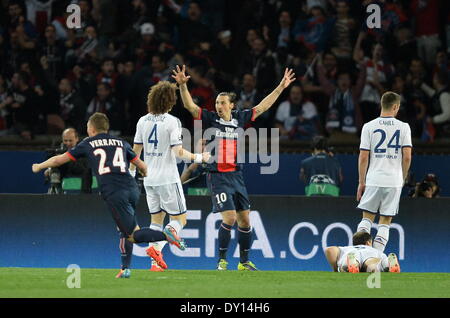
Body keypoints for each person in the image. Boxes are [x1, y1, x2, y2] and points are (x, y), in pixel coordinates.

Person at [32, 112, 186, 279]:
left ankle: (166, 236)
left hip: (114, 193)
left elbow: (58, 161)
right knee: (124, 229)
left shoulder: (88, 143)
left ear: (91, 129)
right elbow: (142, 166)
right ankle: (125, 268)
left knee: (132, 235)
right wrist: (143, 172)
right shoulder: (121, 142)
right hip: (132, 189)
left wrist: (39, 166)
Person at [172, 64, 296, 271]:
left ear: (231, 105)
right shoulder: (211, 119)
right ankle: (222, 261)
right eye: (217, 102)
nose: (219, 105)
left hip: (236, 176)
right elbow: (190, 107)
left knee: (245, 221)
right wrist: (183, 86)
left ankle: (244, 262)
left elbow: (264, 106)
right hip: (218, 176)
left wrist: (281, 87)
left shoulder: (240, 118)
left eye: (222, 103)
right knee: (229, 218)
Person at [131, 81, 210, 272]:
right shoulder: (172, 121)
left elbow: (134, 153)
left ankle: (154, 262)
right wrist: (200, 157)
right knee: (180, 221)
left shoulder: (142, 121)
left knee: (155, 221)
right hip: (167, 179)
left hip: (148, 179)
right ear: (171, 101)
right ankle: (172, 232)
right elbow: (178, 152)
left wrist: (130, 175)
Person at [356, 91, 412, 253]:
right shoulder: (404, 127)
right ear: (395, 107)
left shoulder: (369, 126)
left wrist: (361, 182)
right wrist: (402, 178)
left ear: (382, 105)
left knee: (367, 219)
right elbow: (407, 157)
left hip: (373, 179)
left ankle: (360, 256)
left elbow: (363, 157)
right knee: (385, 221)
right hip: (393, 181)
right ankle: (376, 259)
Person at [324, 231, 400, 273]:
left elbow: (329, 250)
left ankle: (353, 264)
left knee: (347, 263)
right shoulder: (375, 250)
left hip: (352, 254)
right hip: (370, 255)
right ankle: (387, 264)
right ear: (368, 242)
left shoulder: (347, 248)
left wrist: (335, 269)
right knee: (373, 265)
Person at [44, 128, 92, 194]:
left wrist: (65, 158)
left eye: (70, 140)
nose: (68, 143)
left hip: (81, 194)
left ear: (77, 139)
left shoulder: (83, 153)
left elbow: (79, 169)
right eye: (65, 140)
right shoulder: (59, 153)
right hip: (62, 194)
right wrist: (50, 169)